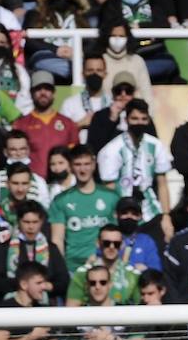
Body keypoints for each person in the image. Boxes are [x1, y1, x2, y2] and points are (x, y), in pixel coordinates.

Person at [97, 100, 173, 239]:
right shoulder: (112, 150)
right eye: (135, 119)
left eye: (143, 119)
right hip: (122, 215)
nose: (139, 123)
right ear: (126, 120)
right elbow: (109, 190)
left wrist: (166, 217)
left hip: (151, 213)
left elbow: (162, 184)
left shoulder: (156, 145)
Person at [49, 145, 121, 274]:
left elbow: (120, 235)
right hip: (73, 268)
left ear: (94, 165)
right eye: (78, 164)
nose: (83, 169)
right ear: (70, 167)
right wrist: (61, 271)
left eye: (87, 164)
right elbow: (57, 239)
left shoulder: (111, 197)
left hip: (106, 267)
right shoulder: (61, 200)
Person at [13, 73, 79, 178]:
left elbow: (75, 157)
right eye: (38, 89)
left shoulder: (68, 124)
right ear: (31, 93)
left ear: (54, 93)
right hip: (32, 183)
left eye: (47, 89)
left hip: (61, 182)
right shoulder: (21, 124)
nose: (43, 93)